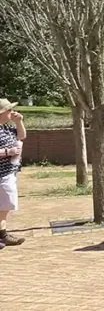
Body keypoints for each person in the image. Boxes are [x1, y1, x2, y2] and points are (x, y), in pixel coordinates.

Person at [0, 98, 27, 250]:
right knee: (4, 206)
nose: (12, 112)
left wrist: (19, 122)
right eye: (9, 110)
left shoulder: (7, 128)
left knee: (5, 206)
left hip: (9, 172)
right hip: (2, 174)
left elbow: (21, 136)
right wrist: (6, 152)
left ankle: (3, 235)